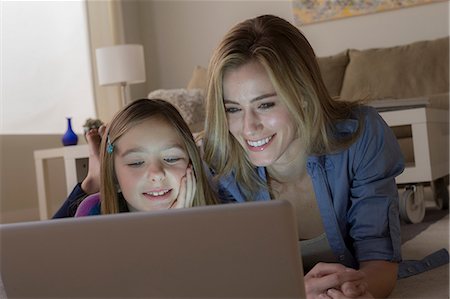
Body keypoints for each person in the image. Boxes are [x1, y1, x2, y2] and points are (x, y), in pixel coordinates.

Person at [201, 15, 404, 299]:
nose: (248, 128)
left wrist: (353, 292)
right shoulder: (217, 163)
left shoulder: (362, 135)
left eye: (265, 104)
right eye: (233, 109)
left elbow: (380, 260)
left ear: (304, 95)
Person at [73, 98, 217, 216]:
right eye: (137, 162)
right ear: (113, 175)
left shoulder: (218, 217)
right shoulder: (92, 212)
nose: (157, 173)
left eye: (171, 159)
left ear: (191, 162)